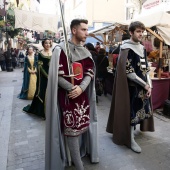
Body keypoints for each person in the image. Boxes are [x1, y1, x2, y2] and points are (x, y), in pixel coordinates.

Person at [45, 19, 99, 170]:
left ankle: (79, 154)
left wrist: (81, 88)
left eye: (87, 30)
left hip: (82, 96)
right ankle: (77, 163)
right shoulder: (60, 49)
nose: (87, 33)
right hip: (68, 98)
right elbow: (58, 76)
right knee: (72, 130)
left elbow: (89, 71)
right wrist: (71, 88)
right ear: (74, 30)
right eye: (84, 30)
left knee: (82, 126)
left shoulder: (85, 51)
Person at [106, 21, 154, 153]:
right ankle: (130, 139)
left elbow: (145, 68)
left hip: (143, 87)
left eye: (142, 31)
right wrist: (144, 84)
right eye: (138, 31)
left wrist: (149, 85)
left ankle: (133, 133)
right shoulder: (126, 48)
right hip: (131, 88)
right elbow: (129, 72)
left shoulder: (142, 47)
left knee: (140, 110)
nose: (141, 34)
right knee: (131, 114)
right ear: (131, 33)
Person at [23, 38, 52, 119]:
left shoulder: (53, 53)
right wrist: (47, 75)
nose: (48, 45)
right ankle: (43, 111)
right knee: (43, 91)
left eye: (49, 43)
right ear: (43, 44)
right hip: (43, 76)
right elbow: (40, 66)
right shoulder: (40, 53)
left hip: (52, 75)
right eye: (46, 43)